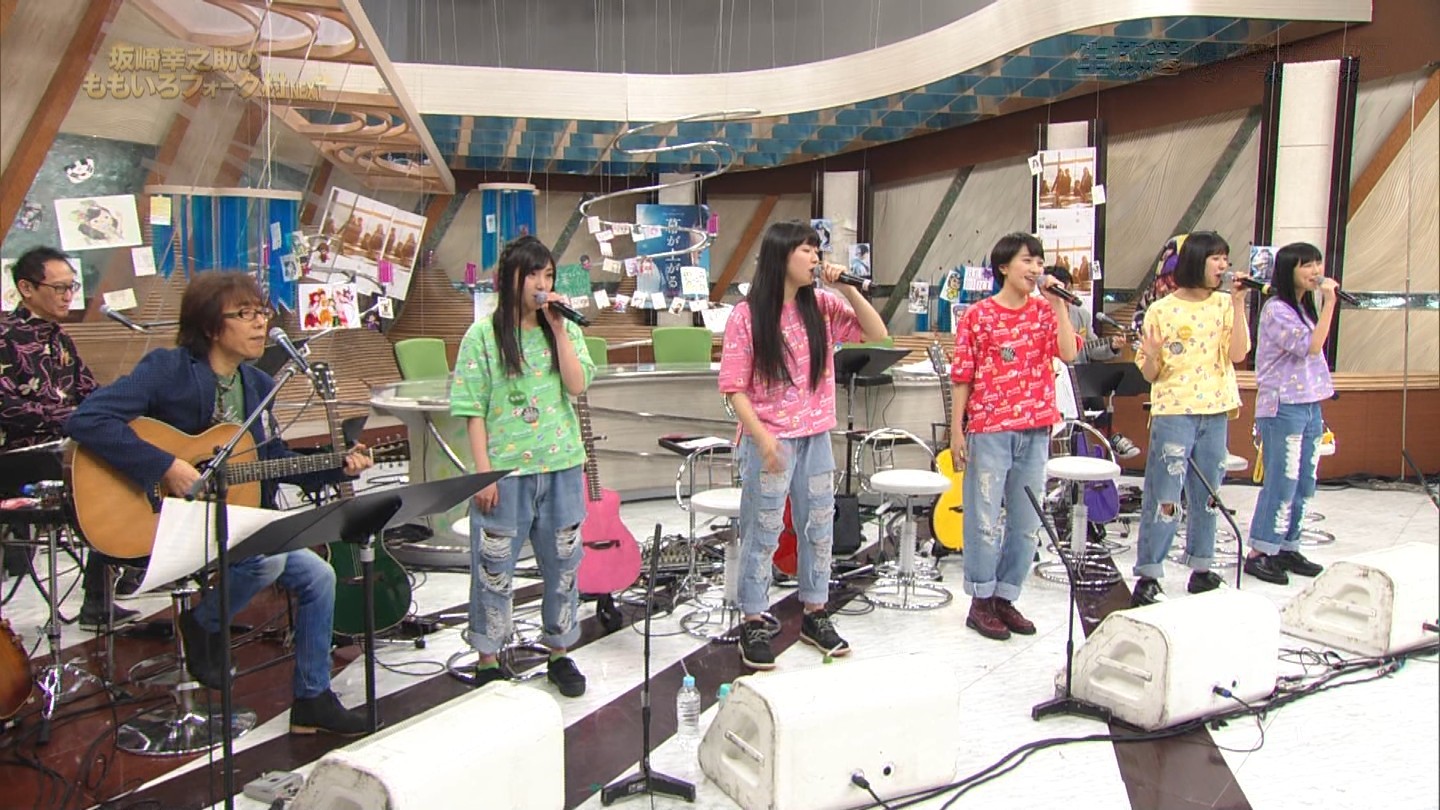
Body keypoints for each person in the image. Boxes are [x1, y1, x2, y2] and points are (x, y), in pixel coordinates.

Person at [66, 271, 373, 735]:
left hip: (233, 520)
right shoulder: (168, 370)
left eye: (262, 313)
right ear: (211, 326)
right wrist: (165, 466)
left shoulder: (256, 383)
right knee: (267, 560)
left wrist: (337, 467)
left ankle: (312, 699)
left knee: (319, 575)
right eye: (244, 314)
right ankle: (203, 623)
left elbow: (269, 460)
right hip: (166, 520)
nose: (260, 323)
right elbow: (87, 419)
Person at [719, 220, 887, 670]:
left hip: (815, 437)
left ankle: (815, 611)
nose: (815, 259)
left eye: (817, 251)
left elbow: (877, 334)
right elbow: (733, 388)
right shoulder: (747, 315)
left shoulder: (823, 306)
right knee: (764, 530)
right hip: (769, 440)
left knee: (818, 527)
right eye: (807, 250)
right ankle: (753, 619)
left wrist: (849, 288)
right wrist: (762, 438)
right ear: (782, 256)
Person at [450, 236, 595, 697]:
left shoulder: (562, 328)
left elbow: (577, 386)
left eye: (548, 274)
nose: (541, 283)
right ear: (508, 279)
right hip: (506, 473)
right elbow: (472, 409)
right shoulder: (482, 336)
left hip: (562, 465)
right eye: (532, 274)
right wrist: (483, 474)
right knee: (493, 568)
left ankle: (560, 651)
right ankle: (488, 657)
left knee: (563, 565)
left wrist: (559, 331)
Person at [0, 247, 138, 629]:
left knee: (135, 457)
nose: (67, 296)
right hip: (18, 454)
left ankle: (122, 572)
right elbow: (6, 407)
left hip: (64, 445)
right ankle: (106, 588)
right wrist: (72, 419)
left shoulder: (60, 340)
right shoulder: (5, 337)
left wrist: (122, 406)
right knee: (102, 472)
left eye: (71, 287)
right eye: (59, 288)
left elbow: (88, 391)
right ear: (27, 288)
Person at [949, 234, 1077, 640]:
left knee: (1026, 521)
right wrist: (956, 429)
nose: (1035, 269)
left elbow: (1069, 353)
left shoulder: (1044, 312)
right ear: (1004, 267)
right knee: (984, 518)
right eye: (1027, 261)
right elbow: (962, 375)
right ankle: (981, 600)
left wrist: (1058, 303)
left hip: (1036, 428)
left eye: (1039, 262)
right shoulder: (978, 316)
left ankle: (1006, 596)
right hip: (990, 428)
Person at [1130, 231, 1250, 607]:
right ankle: (1149, 574)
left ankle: (1201, 567)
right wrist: (1151, 353)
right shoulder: (1161, 310)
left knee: (1208, 494)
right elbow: (1149, 373)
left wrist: (1240, 304)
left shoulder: (1225, 304)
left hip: (1216, 410)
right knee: (1165, 494)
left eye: (1225, 258)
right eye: (1216, 258)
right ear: (1196, 260)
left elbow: (1238, 354)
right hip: (1174, 411)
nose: (1223, 265)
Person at [1242, 243, 1335, 585]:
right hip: (1282, 406)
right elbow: (1311, 346)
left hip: (1310, 403)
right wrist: (1330, 303)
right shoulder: (1276, 310)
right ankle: (1260, 551)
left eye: (1317, 263)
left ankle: (1287, 546)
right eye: (1306, 265)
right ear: (1287, 270)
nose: (1315, 271)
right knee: (1282, 480)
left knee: (1305, 480)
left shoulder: (1303, 308)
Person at [1047, 265, 1141, 460]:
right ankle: (1112, 436)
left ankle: (1111, 436)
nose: (1066, 296)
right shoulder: (1039, 313)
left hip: (1078, 374)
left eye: (1067, 290)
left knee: (1091, 390)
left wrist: (1112, 346)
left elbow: (1091, 347)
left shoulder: (1080, 314)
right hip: (1051, 378)